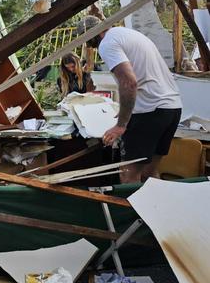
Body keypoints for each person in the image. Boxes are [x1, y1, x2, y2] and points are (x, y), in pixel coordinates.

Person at [76, 16, 182, 183]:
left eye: (86, 39)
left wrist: (121, 125)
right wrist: (124, 112)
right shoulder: (127, 34)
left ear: (90, 34)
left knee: (128, 175)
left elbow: (129, 83)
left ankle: (129, 210)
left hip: (149, 111)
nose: (88, 45)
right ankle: (154, 209)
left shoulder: (107, 44)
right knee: (149, 173)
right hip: (171, 108)